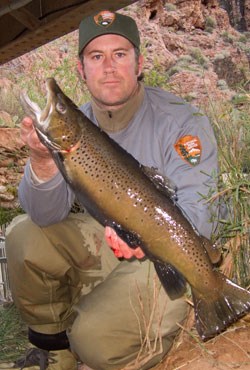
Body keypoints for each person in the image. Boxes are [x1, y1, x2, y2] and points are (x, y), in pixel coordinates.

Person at [6, 10, 221, 370]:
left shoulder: (181, 120)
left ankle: (134, 342)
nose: (109, 67)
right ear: (81, 69)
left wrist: (144, 237)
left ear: (139, 64)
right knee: (22, 237)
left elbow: (204, 211)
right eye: (96, 56)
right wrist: (43, 160)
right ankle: (55, 350)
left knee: (94, 341)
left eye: (120, 54)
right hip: (108, 242)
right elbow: (46, 215)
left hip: (170, 253)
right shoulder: (77, 127)